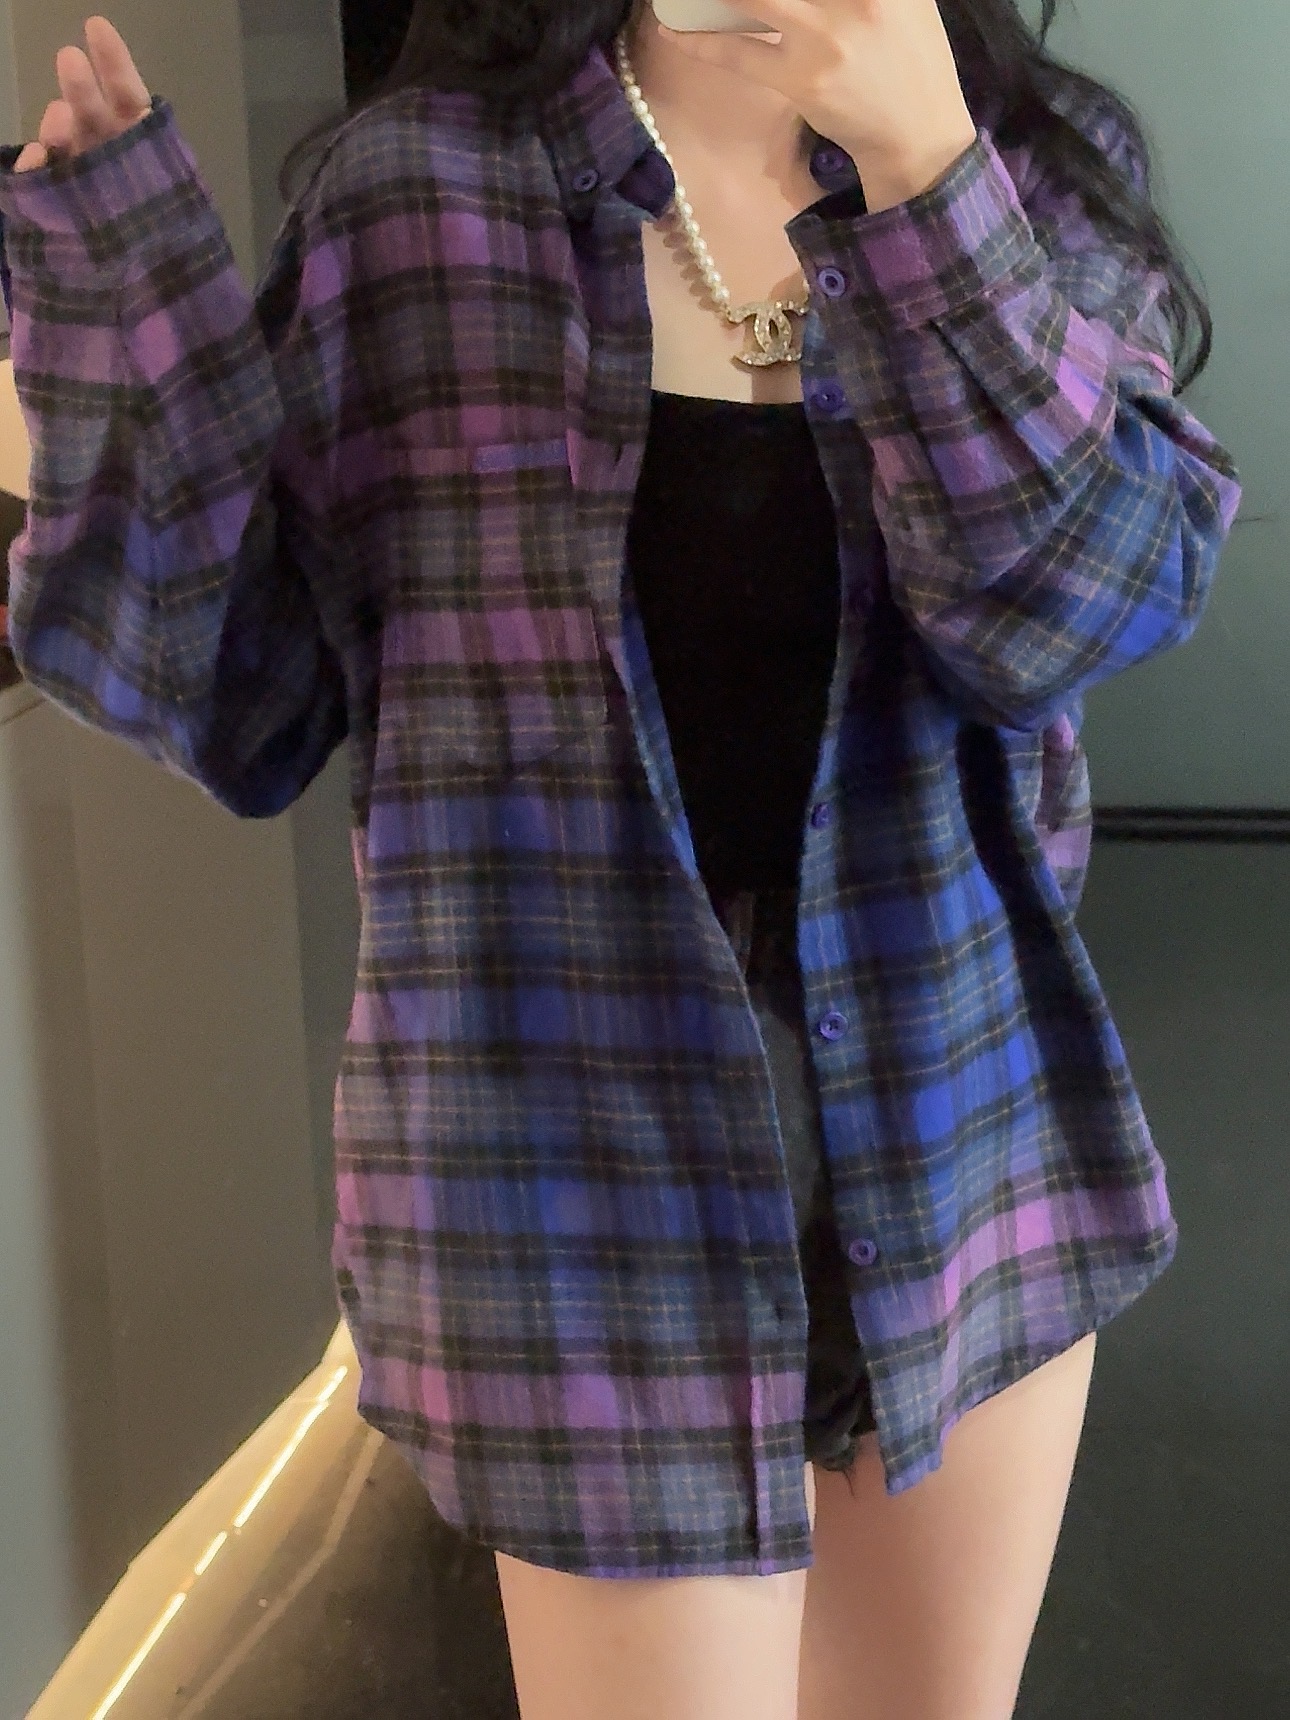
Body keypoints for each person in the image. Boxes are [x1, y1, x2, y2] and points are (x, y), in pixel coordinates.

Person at [0, 5, 1241, 1717]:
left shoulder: (1021, 175)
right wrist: (119, 328)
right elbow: (245, 705)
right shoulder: (423, 197)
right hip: (574, 1191)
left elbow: (1075, 614)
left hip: (966, 1143)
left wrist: (927, 179)